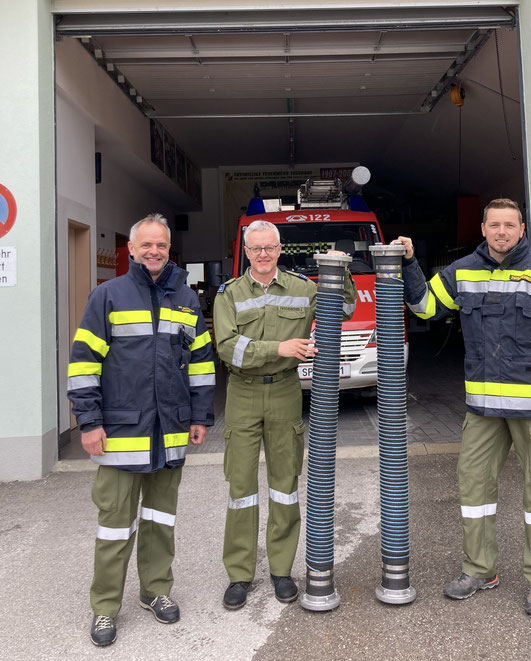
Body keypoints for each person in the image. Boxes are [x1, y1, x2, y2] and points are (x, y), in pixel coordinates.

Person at [394, 198, 531, 616]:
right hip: (483, 411)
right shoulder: (463, 270)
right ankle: (479, 570)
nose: (502, 232)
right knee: (473, 489)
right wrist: (409, 263)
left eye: (509, 225)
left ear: (522, 230)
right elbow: (426, 307)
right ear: (483, 229)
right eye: (494, 225)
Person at [68, 213, 215, 646]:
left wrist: (199, 417)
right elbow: (83, 364)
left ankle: (155, 591)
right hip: (120, 433)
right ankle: (104, 608)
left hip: (169, 433)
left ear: (170, 250)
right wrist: (89, 422)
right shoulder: (107, 295)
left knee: (160, 521)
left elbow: (202, 364)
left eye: (161, 245)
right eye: (146, 244)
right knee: (115, 526)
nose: (154, 251)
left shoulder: (186, 300)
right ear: (131, 249)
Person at [213, 219, 356, 610]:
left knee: (284, 484)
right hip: (242, 393)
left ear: (280, 250)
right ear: (246, 252)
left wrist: (340, 270)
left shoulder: (302, 288)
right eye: (255, 248)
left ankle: (281, 570)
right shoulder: (229, 294)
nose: (263, 254)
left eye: (270, 247)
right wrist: (279, 348)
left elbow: (344, 310)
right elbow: (227, 347)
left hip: (284, 391)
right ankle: (239, 575)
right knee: (241, 487)